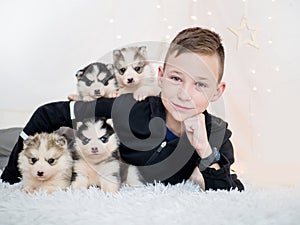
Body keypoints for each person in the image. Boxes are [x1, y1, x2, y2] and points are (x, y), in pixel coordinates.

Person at [0, 27, 244, 191]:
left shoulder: (216, 136)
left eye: (200, 84)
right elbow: (47, 113)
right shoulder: (133, 108)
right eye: (176, 78)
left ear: (217, 91)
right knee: (10, 140)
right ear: (160, 76)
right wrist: (9, 181)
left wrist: (203, 150)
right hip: (65, 144)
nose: (184, 94)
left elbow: (230, 189)